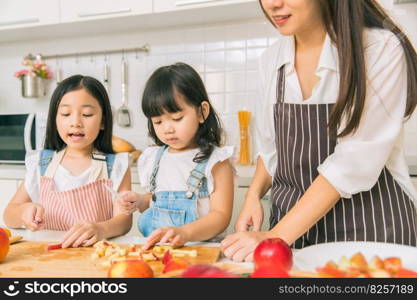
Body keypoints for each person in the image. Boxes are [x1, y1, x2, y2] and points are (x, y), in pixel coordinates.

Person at [221, 0, 417, 262]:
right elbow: (271, 150)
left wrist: (276, 235)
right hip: (295, 236)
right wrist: (253, 196)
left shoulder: (378, 48)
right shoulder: (271, 60)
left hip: (370, 232)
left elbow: (353, 161)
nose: (273, 4)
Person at [3, 75, 132, 248]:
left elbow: (124, 221)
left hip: (95, 256)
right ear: (55, 119)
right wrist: (23, 213)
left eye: (86, 114)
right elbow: (9, 215)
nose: (75, 122)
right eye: (65, 114)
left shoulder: (116, 165)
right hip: (48, 257)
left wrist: (101, 229)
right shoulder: (41, 164)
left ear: (103, 121)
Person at [118, 62, 234, 250]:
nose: (167, 129)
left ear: (202, 112)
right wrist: (139, 201)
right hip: (159, 251)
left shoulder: (216, 161)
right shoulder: (154, 157)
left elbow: (221, 216)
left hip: (201, 251)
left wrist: (185, 233)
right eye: (158, 121)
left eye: (177, 118)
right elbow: (154, 198)